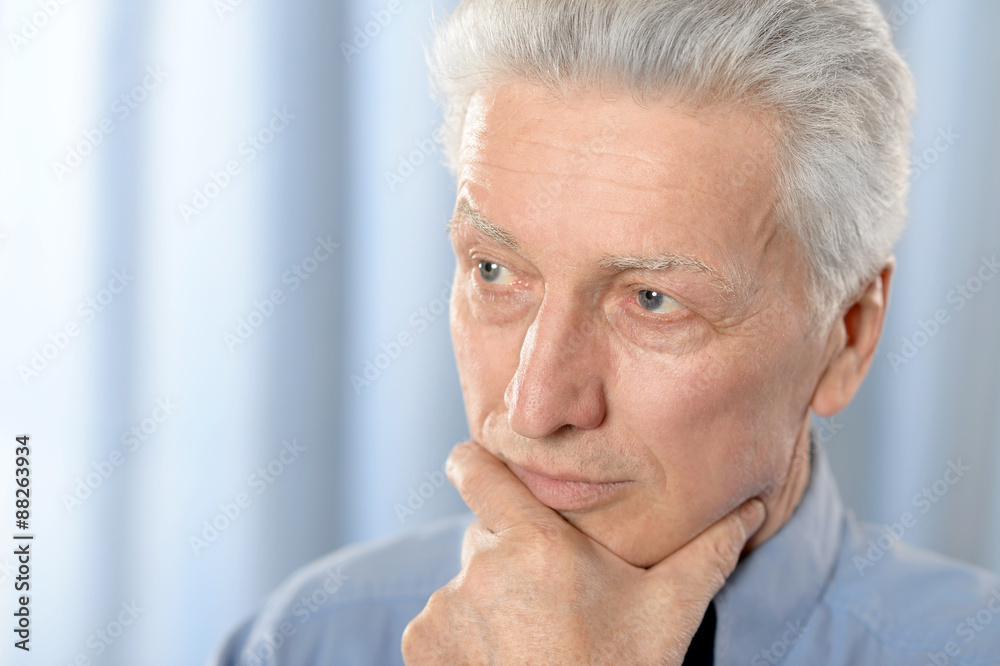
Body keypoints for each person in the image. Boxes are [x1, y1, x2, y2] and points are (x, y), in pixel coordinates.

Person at [211, 1, 1000, 664]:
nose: (535, 407)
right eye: (494, 271)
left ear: (848, 337)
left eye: (652, 300)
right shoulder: (306, 640)